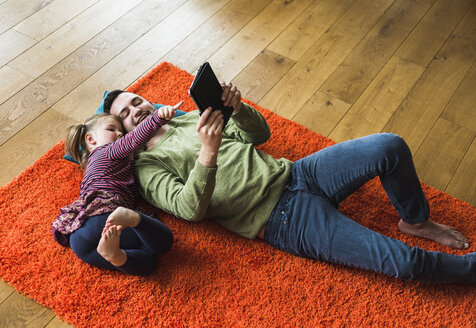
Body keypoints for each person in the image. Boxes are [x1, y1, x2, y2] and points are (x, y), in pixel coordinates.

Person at [102, 83, 475, 283]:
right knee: (403, 261)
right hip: (280, 220)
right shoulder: (147, 168)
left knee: (389, 145)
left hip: (298, 173)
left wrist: (238, 108)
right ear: (124, 136)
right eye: (126, 114)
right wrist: (207, 153)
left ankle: (416, 220)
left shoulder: (186, 119)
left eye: (137, 101)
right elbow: (188, 209)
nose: (137, 110)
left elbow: (258, 134)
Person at [52, 103, 181, 276]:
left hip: (79, 237)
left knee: (148, 263)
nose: (120, 134)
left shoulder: (95, 165)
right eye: (112, 129)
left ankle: (115, 255)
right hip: (104, 215)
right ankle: (133, 218)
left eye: (122, 131)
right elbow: (135, 139)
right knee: (163, 243)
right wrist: (157, 118)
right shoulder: (107, 151)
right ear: (91, 140)